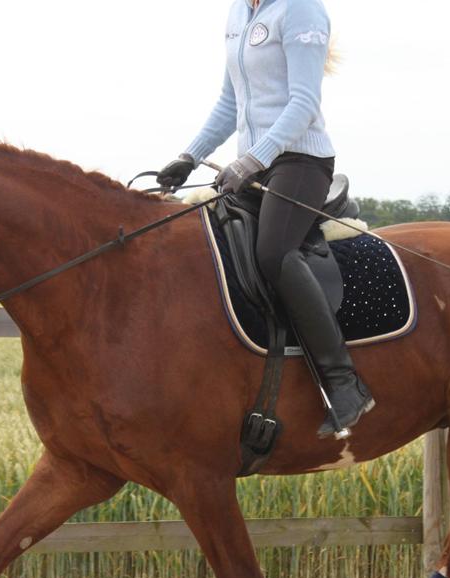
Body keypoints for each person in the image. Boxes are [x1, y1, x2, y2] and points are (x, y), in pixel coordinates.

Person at [157, 0, 373, 438]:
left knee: (274, 253)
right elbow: (228, 102)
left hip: (301, 159)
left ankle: (344, 383)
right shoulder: (240, 12)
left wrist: (255, 158)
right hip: (253, 163)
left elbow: (304, 102)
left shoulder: (301, 10)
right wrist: (188, 156)